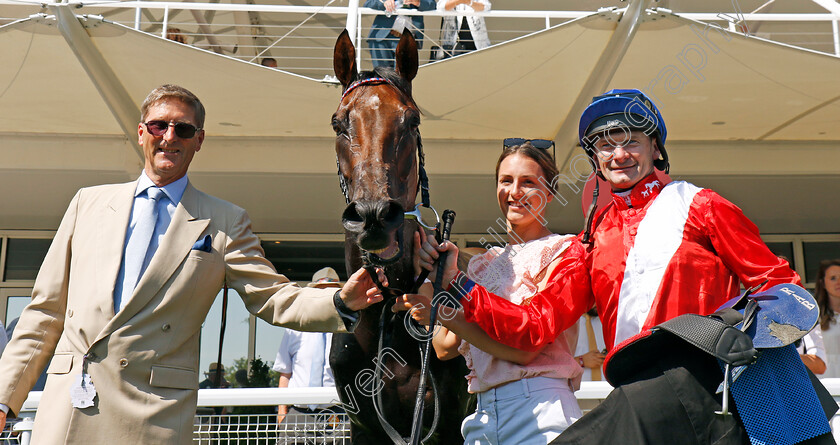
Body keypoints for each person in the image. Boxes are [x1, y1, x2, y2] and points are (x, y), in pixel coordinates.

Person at [401, 89, 831, 444]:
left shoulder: (701, 204)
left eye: (631, 140)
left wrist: (744, 333)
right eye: (606, 144)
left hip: (710, 384)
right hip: (639, 393)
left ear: (655, 147)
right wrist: (457, 283)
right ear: (595, 158)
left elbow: (784, 289)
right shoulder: (590, 242)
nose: (619, 153)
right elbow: (532, 328)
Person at [0, 84, 385, 444]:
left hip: (153, 414)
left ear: (199, 140)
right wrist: (4, 398)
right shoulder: (87, 203)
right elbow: (44, 314)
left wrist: (340, 302)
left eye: (183, 129)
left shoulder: (224, 221)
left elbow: (272, 297)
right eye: (159, 125)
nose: (169, 137)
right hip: (68, 409)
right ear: (141, 132)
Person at [403, 140, 583, 444]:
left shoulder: (565, 251)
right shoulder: (481, 265)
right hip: (482, 415)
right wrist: (427, 291)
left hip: (541, 408)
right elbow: (445, 347)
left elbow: (525, 350)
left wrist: (453, 287)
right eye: (506, 181)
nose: (514, 192)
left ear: (550, 191)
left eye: (528, 182)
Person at [274, 267, 345, 444]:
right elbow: (285, 374)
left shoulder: (347, 331)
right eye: (320, 291)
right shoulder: (294, 329)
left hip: (336, 415)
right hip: (298, 414)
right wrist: (282, 413)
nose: (325, 296)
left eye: (330, 291)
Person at [364, 0, 436, 68]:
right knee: (382, 76)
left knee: (402, 77)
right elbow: (368, 3)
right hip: (382, 37)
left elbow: (433, 4)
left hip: (406, 39)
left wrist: (418, 2)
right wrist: (384, 3)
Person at [816, 259, 840, 377]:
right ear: (823, 283)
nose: (839, 282)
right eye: (833, 278)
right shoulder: (815, 317)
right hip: (826, 383)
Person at [573, 308, 605, 382]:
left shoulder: (612, 320)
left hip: (608, 389)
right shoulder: (564, 324)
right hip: (575, 391)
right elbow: (551, 366)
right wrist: (580, 361)